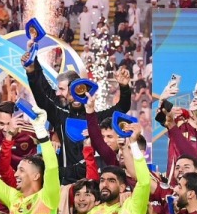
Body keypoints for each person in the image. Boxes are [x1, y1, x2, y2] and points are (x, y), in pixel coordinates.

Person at [25, 42, 131, 184]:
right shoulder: (60, 113)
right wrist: (32, 70)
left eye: (62, 89)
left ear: (74, 87)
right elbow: (42, 95)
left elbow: (122, 107)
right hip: (65, 184)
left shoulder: (95, 118)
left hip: (91, 186)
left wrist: (124, 87)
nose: (58, 93)